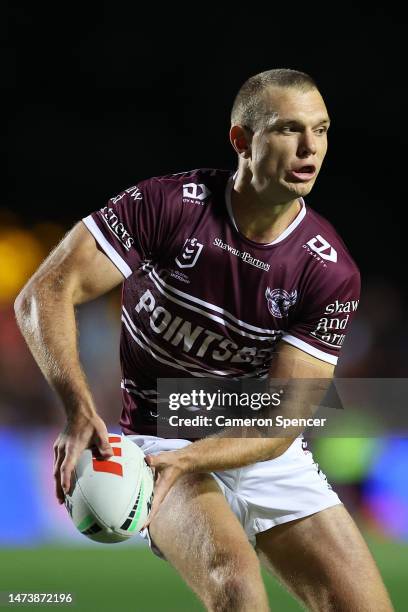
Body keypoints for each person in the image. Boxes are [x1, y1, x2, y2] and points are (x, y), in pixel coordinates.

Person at [15, 69, 393, 611]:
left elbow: (281, 421)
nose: (311, 147)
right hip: (159, 441)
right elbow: (44, 293)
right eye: (290, 129)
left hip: (259, 448)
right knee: (236, 588)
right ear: (242, 140)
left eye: (323, 129)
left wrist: (201, 459)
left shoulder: (329, 271)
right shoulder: (170, 205)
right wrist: (77, 409)